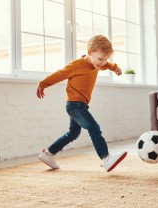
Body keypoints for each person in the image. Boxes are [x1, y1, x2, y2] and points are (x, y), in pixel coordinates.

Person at [36, 35, 127, 172]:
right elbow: (60, 74)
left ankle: (48, 154)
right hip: (74, 105)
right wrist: (43, 84)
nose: (102, 63)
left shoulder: (96, 63)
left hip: (81, 105)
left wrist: (114, 67)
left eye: (105, 59)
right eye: (100, 59)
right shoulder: (77, 65)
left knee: (73, 134)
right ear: (90, 52)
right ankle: (105, 158)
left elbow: (106, 65)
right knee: (94, 128)